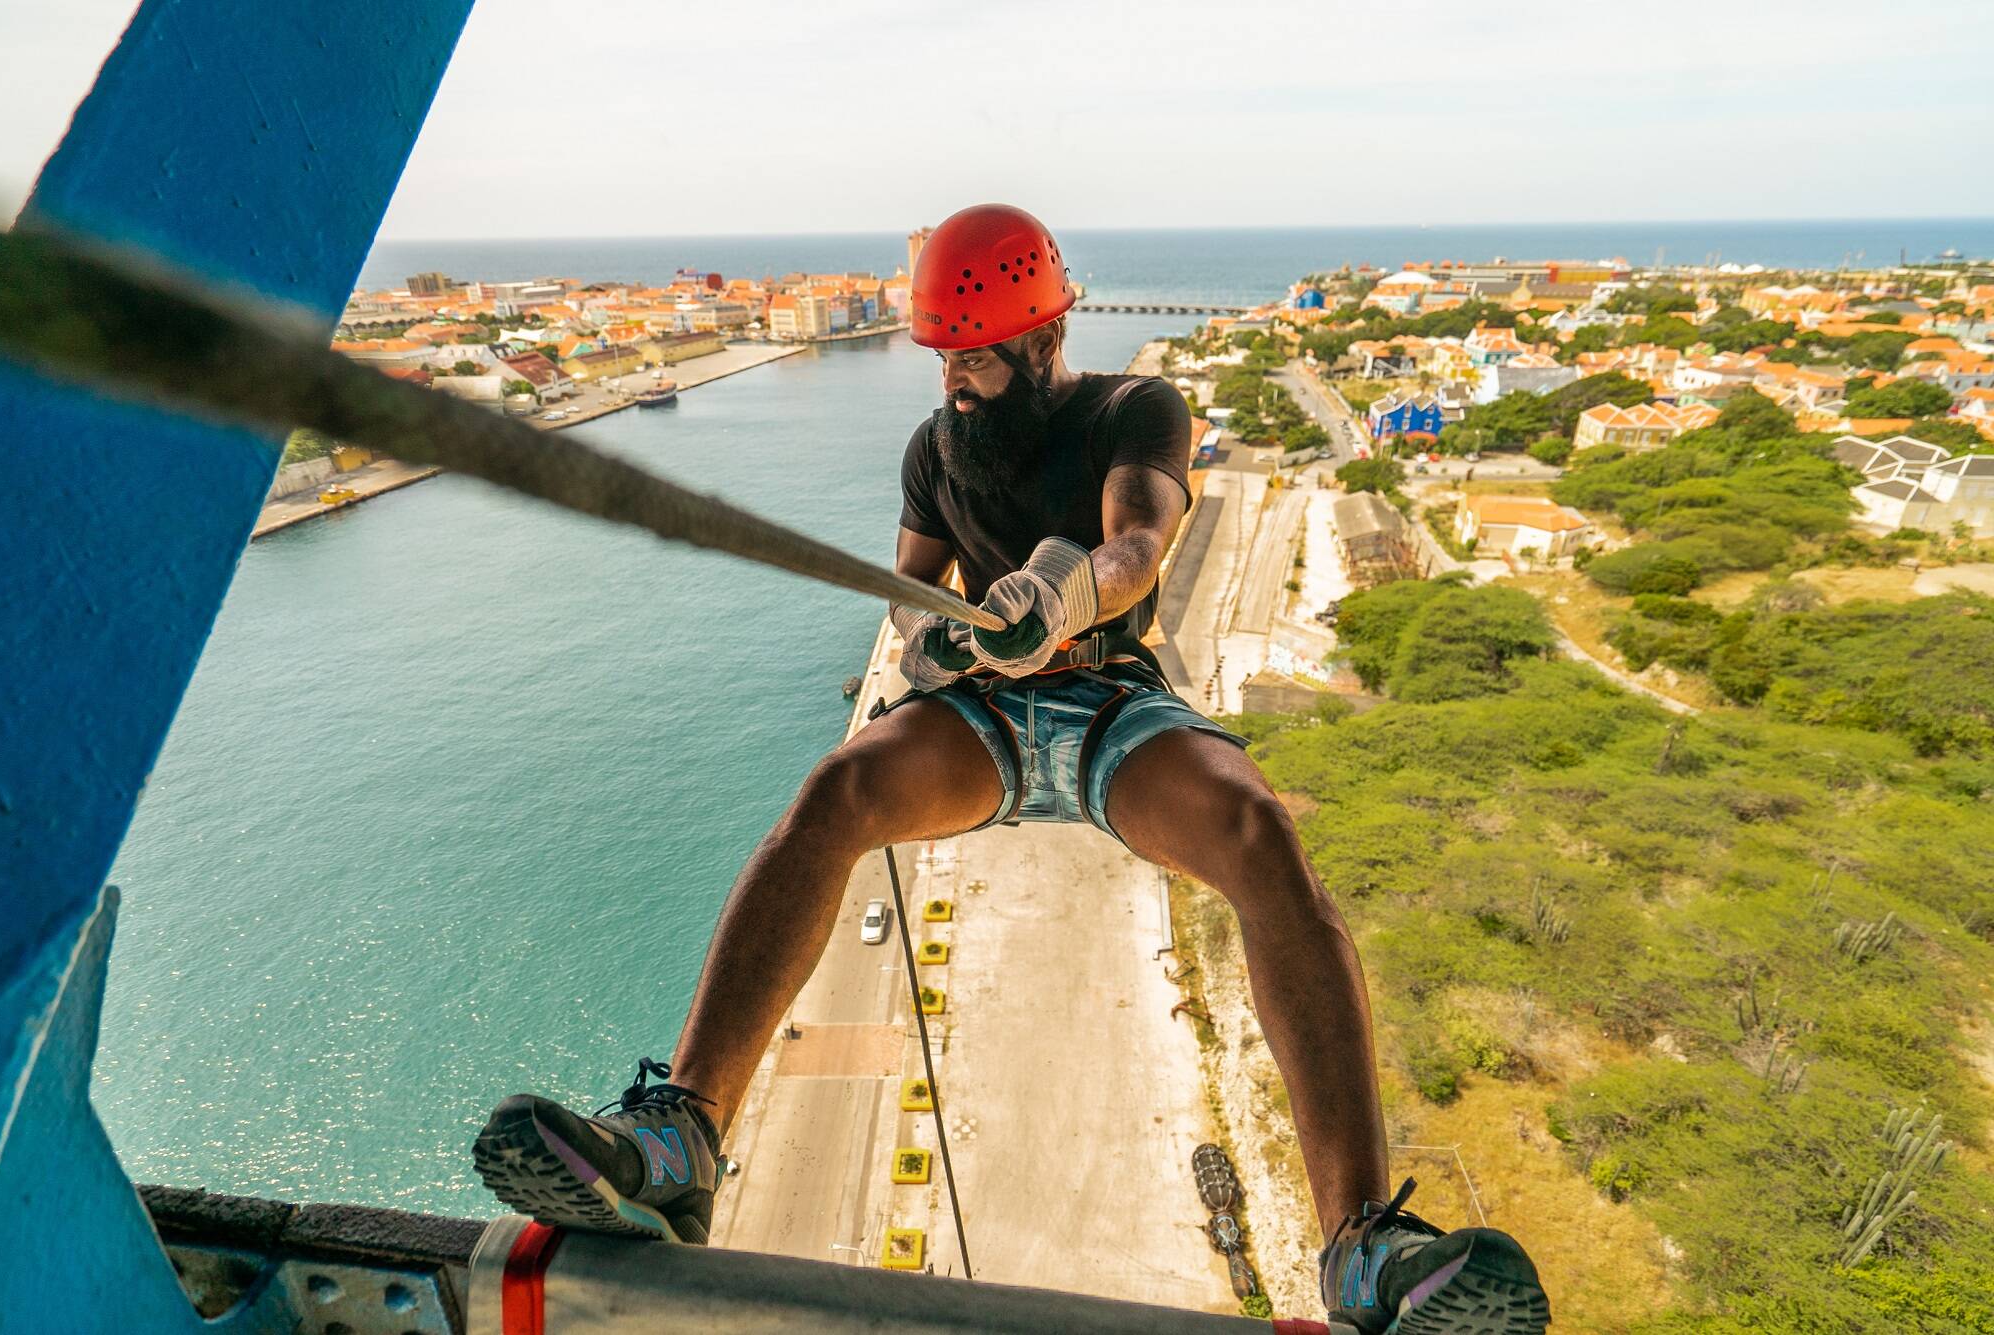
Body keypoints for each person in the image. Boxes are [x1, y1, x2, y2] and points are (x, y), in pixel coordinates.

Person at [470, 204, 1550, 1332]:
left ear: (1041, 341)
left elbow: (1137, 545)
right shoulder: (934, 450)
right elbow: (909, 590)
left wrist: (1062, 594)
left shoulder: (1133, 409)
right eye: (941, 360)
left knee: (1256, 837)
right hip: (979, 710)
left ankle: (1357, 1242)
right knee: (834, 798)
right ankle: (681, 1141)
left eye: (975, 359)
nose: (954, 384)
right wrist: (931, 635)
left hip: (1106, 700)